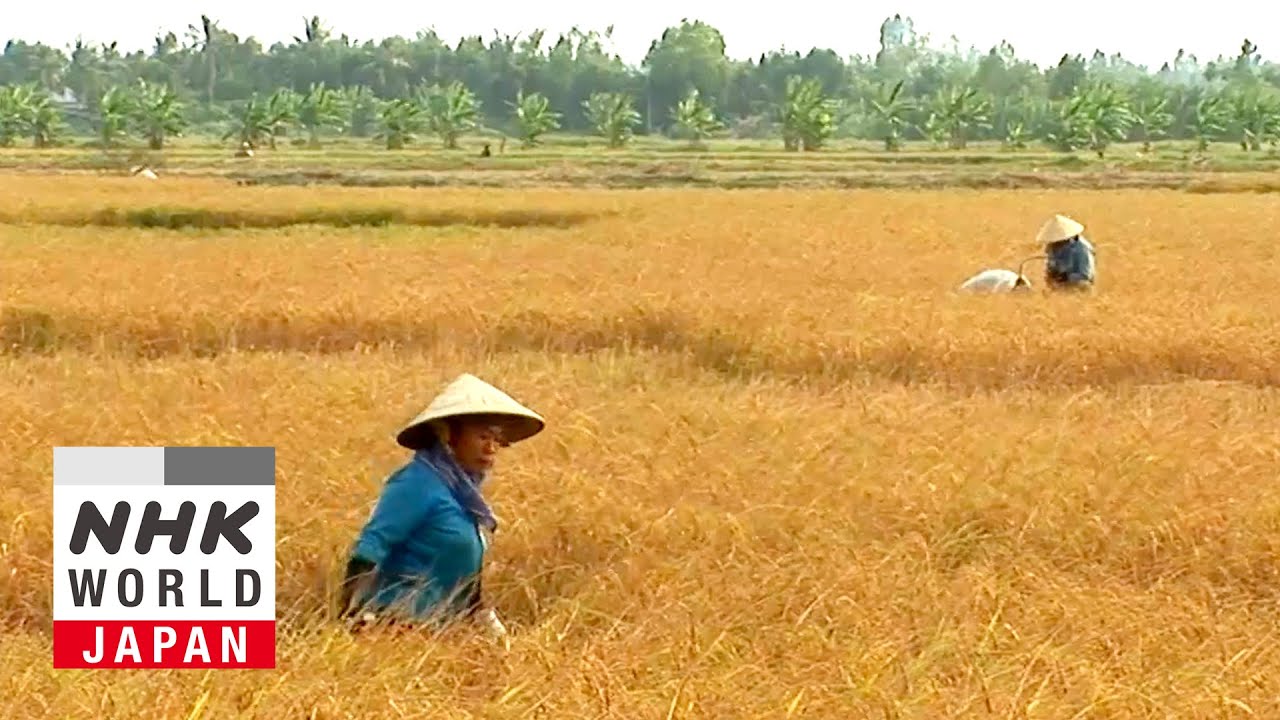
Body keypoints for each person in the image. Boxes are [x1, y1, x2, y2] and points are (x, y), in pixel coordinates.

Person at [337, 373, 545, 638]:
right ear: (448, 436)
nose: (492, 448)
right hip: (398, 628)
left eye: (497, 439)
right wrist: (351, 616)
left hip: (443, 632)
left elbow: (465, 581)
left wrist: (493, 630)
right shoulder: (416, 483)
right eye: (482, 437)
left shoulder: (465, 498)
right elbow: (369, 550)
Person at [1036, 214, 1096, 291]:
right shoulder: (1052, 248)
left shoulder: (1082, 249)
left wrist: (1066, 277)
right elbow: (1050, 266)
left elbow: (1085, 275)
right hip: (1060, 284)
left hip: (1078, 285)